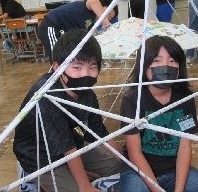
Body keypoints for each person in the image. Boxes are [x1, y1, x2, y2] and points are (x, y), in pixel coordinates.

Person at [13, 29, 122, 192]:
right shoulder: (46, 94)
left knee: (118, 166)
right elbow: (66, 147)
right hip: (38, 154)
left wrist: (127, 161)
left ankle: (75, 172)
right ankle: (31, 174)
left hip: (71, 145)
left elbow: (99, 134)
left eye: (92, 67)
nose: (86, 74)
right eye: (77, 67)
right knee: (78, 189)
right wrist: (85, 186)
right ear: (57, 67)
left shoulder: (88, 95)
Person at [119, 35, 198, 192]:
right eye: (157, 60)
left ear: (180, 67)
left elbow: (184, 147)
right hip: (137, 171)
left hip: (174, 171)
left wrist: (178, 190)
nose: (165, 66)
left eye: (172, 60)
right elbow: (135, 153)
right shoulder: (132, 99)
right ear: (143, 65)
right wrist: (157, 189)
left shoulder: (185, 98)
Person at [38, 0, 118, 64]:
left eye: (110, 18)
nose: (108, 18)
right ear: (100, 6)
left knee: (67, 59)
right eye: (108, 13)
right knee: (59, 59)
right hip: (52, 26)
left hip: (63, 31)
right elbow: (93, 1)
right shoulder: (89, 8)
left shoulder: (90, 24)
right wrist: (106, 22)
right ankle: (57, 81)